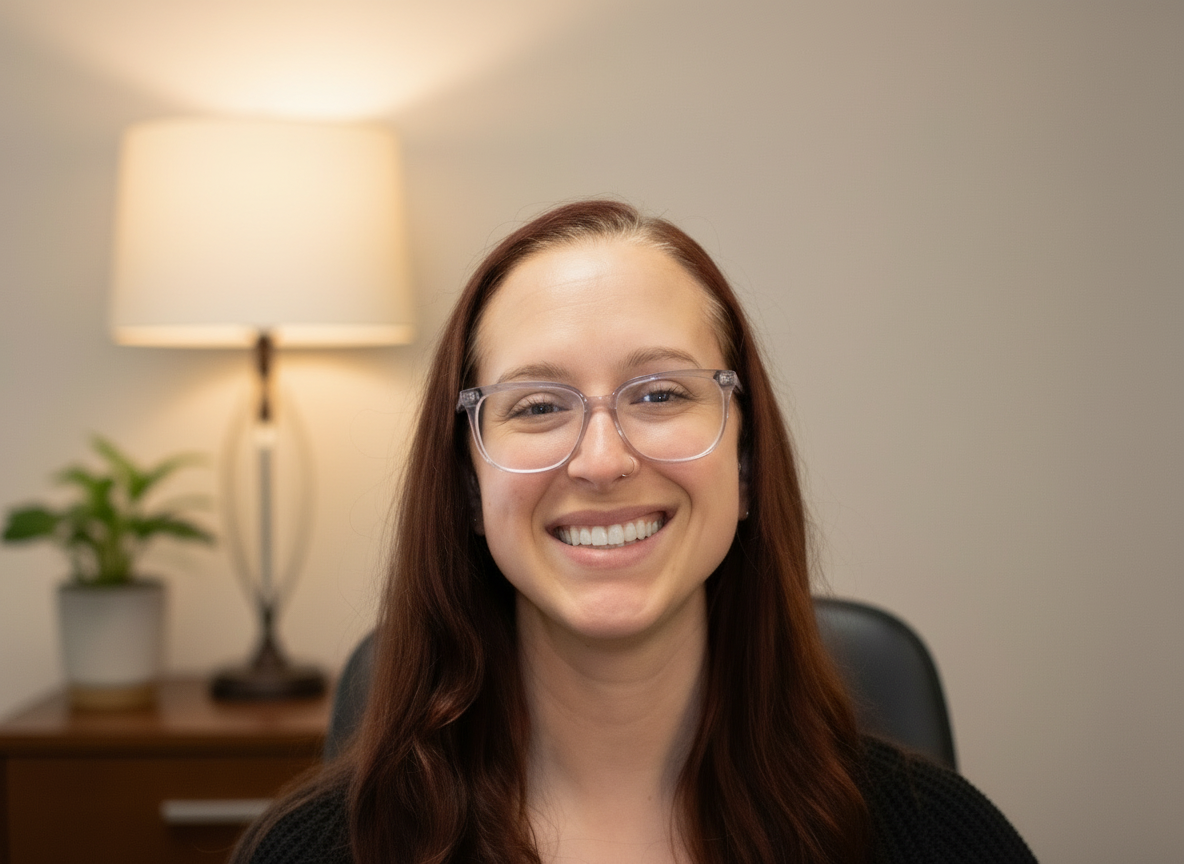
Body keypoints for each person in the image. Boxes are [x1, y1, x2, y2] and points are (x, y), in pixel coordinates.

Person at [234, 200, 1037, 864]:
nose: (603, 460)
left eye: (659, 394)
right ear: (467, 488)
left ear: (746, 462)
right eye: (539, 406)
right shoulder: (313, 854)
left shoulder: (937, 840)